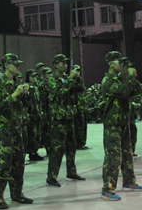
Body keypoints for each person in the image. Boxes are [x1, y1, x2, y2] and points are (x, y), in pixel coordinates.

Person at [100, 52, 142, 201]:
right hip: (112, 125)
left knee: (127, 154)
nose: (121, 65)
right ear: (110, 64)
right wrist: (130, 78)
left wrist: (133, 77)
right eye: (118, 62)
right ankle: (107, 189)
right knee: (113, 157)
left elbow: (136, 91)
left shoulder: (121, 80)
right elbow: (124, 92)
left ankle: (129, 181)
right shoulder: (107, 81)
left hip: (124, 123)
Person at [0, 53, 33, 209]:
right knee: (3, 164)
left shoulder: (17, 82)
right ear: (7, 65)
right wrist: (14, 94)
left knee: (19, 163)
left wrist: (26, 93)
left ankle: (16, 194)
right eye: (15, 64)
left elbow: (24, 105)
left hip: (17, 128)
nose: (18, 67)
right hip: (3, 130)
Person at [46, 54, 85, 187]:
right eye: (62, 63)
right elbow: (60, 92)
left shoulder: (67, 79)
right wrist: (71, 78)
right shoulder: (52, 80)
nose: (65, 65)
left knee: (71, 146)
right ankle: (51, 176)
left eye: (66, 63)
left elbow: (80, 90)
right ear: (55, 65)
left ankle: (71, 172)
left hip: (68, 117)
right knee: (57, 149)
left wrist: (78, 79)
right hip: (58, 118)